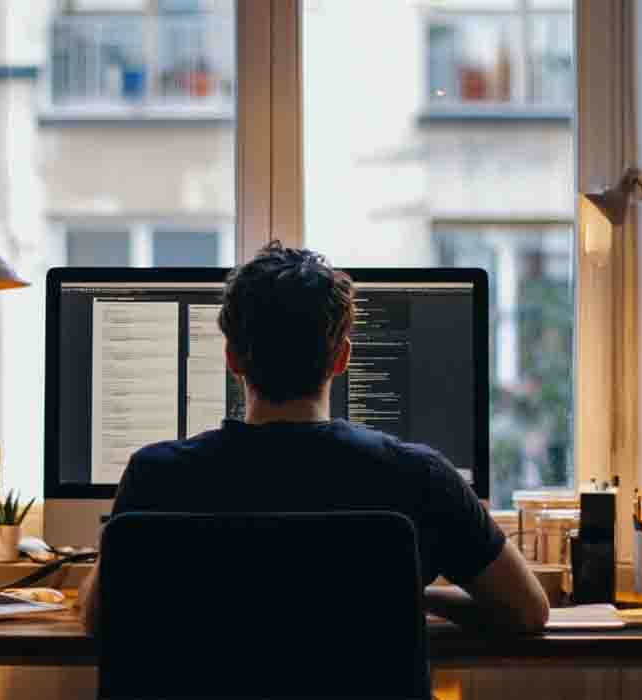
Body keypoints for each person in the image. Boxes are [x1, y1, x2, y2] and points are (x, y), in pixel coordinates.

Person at [79, 242, 550, 635]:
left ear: (232, 359)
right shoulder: (419, 478)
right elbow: (527, 610)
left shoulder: (156, 477)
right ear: (341, 357)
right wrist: (401, 592)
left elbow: (98, 618)